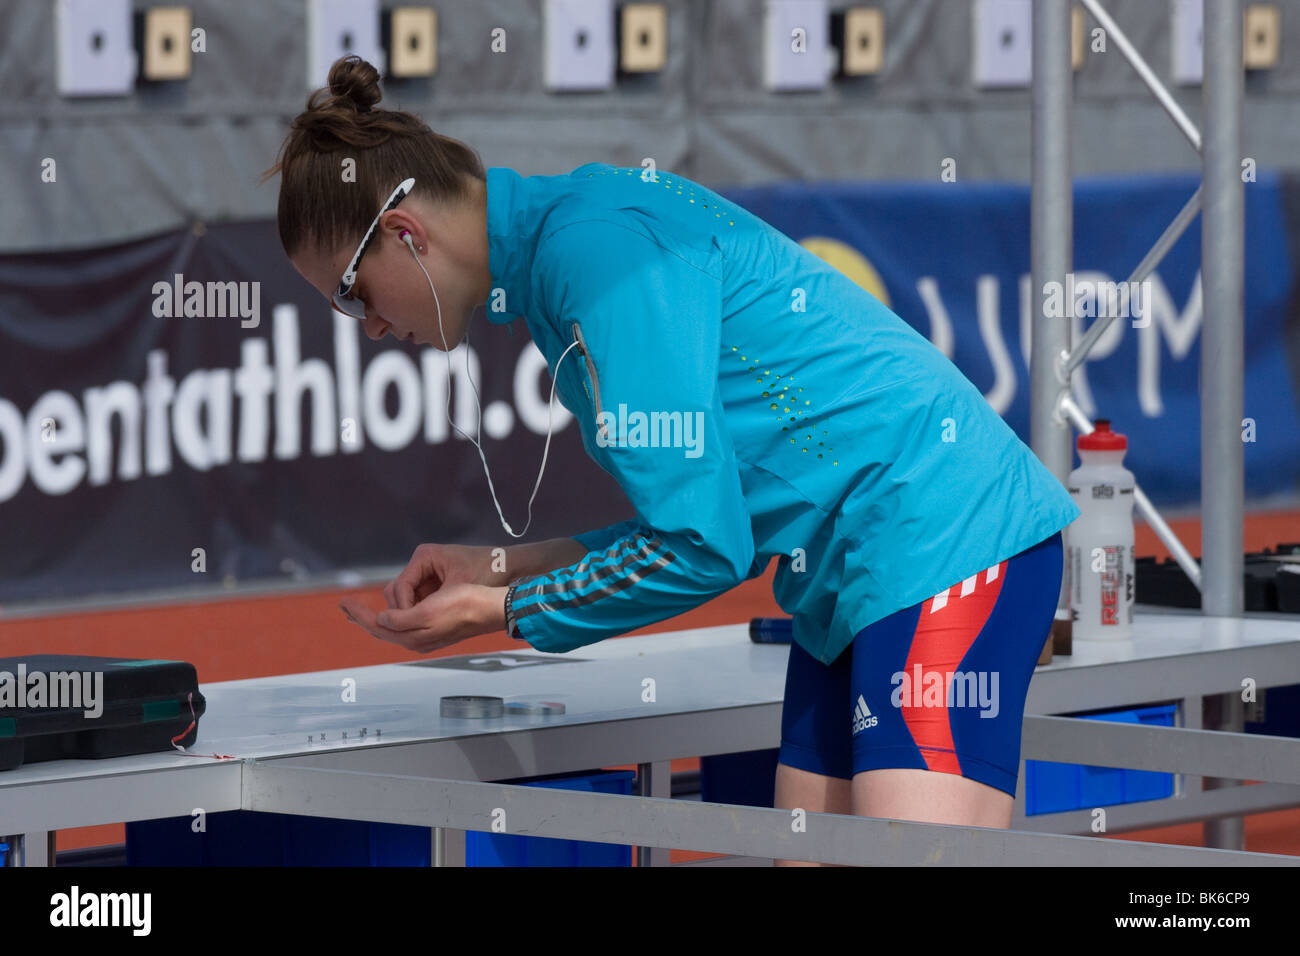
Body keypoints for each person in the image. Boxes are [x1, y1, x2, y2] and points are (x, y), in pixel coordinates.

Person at [267, 55, 1080, 865]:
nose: (368, 329)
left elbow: (703, 548)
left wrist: (501, 613)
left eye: (352, 294)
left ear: (405, 234)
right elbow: (692, 522)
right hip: (854, 571)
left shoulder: (596, 257)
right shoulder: (563, 250)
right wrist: (498, 569)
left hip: (943, 530)